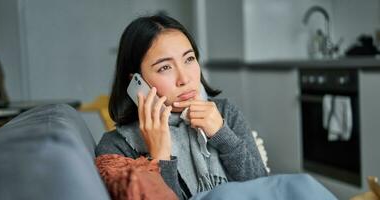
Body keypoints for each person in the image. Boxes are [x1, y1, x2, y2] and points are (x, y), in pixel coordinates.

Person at [95, 14, 267, 199]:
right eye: (164, 68)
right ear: (137, 82)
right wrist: (160, 157)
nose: (185, 79)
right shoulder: (116, 147)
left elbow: (264, 187)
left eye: (189, 59)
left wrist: (222, 135)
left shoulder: (224, 113)